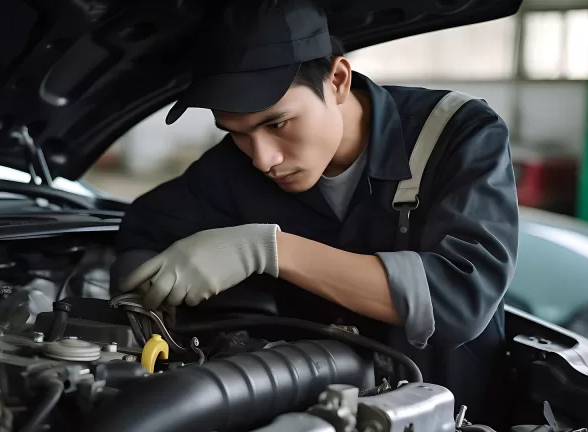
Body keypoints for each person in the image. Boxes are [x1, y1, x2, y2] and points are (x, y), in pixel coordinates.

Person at [113, 0, 518, 423]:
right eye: (237, 133)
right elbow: (146, 232)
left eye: (278, 123)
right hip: (307, 413)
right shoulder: (231, 168)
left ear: (338, 80)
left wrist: (267, 250)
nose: (262, 159)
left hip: (448, 414)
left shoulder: (455, 134)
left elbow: (459, 298)